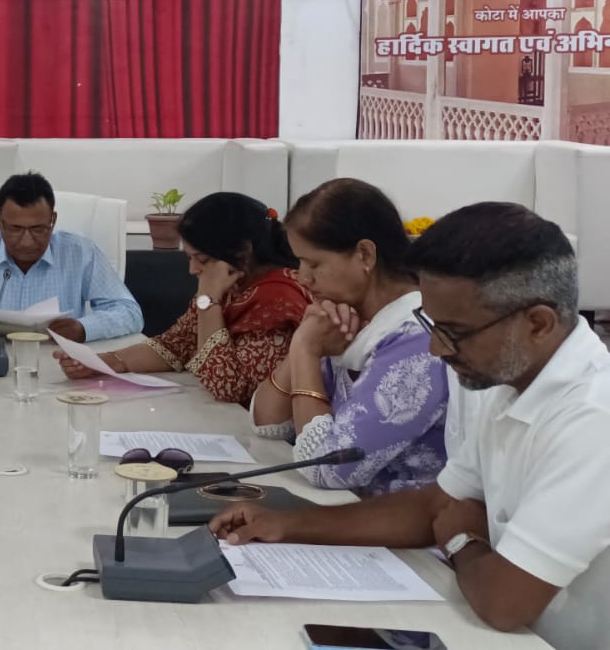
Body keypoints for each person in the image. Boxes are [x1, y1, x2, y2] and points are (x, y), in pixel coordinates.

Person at [211, 203, 608, 650]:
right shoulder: (506, 381)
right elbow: (435, 505)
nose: (436, 349)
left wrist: (460, 539)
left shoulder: (594, 419)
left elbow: (505, 602)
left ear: (537, 323)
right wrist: (288, 526)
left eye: (455, 332)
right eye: (431, 325)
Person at [248, 178, 446, 495]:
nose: (303, 278)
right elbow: (267, 422)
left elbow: (327, 468)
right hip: (347, 512)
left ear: (365, 255)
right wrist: (302, 345)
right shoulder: (346, 319)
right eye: (299, 262)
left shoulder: (418, 340)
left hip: (402, 523)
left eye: (314, 263)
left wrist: (306, 351)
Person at [54, 192, 308, 405]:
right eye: (190, 258)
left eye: (202, 259)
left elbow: (227, 386)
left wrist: (209, 301)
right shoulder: (233, 284)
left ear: (243, 252)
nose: (192, 270)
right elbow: (173, 346)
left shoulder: (278, 298)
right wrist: (102, 363)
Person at [0, 173, 142, 342]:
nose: (27, 241)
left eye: (38, 229)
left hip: (59, 364)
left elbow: (130, 313)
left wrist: (84, 328)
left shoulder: (80, 252)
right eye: (15, 229)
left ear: (53, 220)